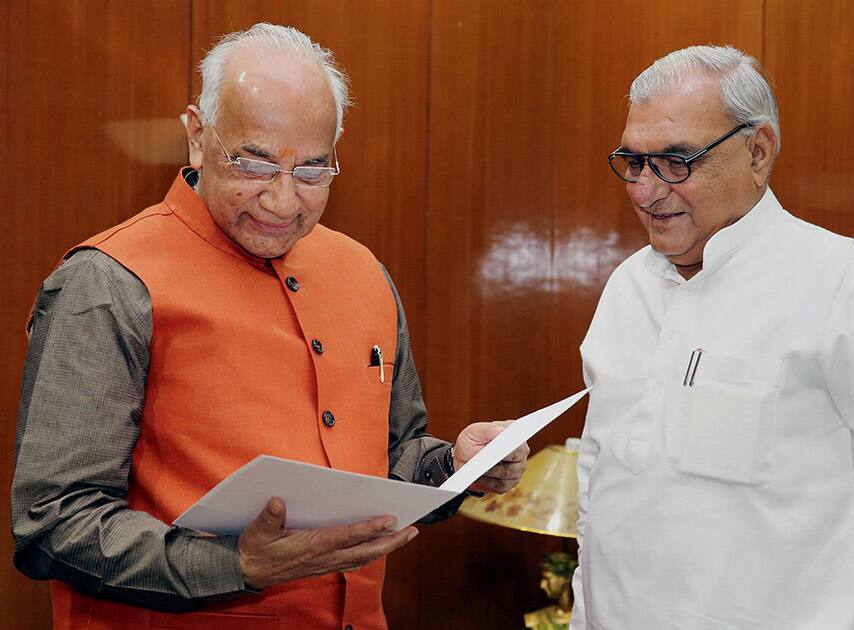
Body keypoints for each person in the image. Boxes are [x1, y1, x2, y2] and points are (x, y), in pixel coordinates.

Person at [11, 23, 528, 630]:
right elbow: (53, 522)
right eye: (254, 163)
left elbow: (388, 461)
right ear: (198, 138)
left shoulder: (362, 271)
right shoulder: (109, 282)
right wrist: (236, 565)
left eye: (313, 171)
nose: (283, 202)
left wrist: (454, 469)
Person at [571, 45, 854, 629]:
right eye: (634, 162)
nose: (645, 190)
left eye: (676, 161)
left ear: (758, 151)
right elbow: (600, 485)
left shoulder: (837, 282)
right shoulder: (625, 288)